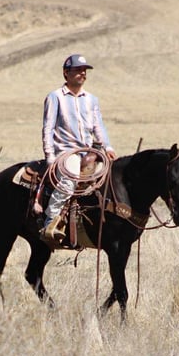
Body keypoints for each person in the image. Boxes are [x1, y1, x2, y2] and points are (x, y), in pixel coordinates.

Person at [40, 53, 116, 241]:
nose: (82, 73)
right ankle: (50, 222)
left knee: (110, 179)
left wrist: (107, 147)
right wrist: (50, 156)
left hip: (90, 152)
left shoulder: (91, 99)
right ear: (66, 73)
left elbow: (98, 126)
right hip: (67, 152)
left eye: (84, 70)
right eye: (78, 70)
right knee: (69, 181)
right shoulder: (55, 97)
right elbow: (48, 128)